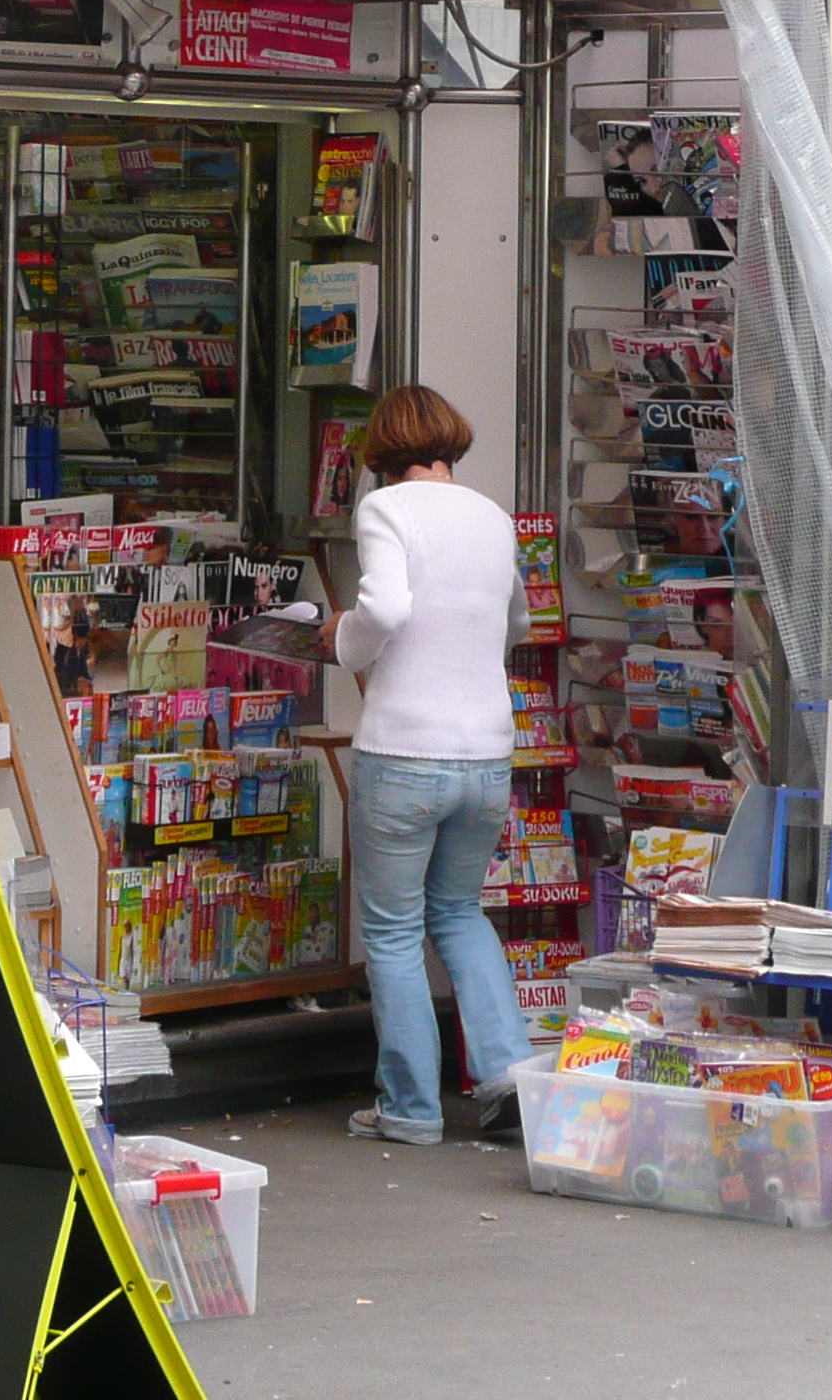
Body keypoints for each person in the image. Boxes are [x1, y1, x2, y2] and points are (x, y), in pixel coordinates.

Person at [325, 384, 534, 1144]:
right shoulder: (493, 517)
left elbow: (382, 609)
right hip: (485, 752)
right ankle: (512, 1077)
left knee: (389, 931)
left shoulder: (386, 511)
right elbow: (519, 619)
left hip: (404, 750)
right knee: (458, 914)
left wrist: (343, 639)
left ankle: (409, 1109)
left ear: (381, 452)